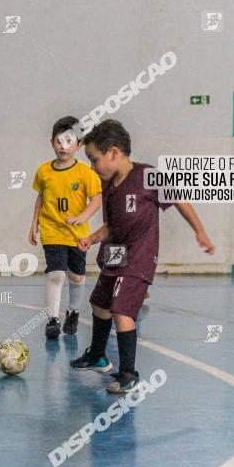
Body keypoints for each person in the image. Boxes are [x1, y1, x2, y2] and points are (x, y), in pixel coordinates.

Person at [69, 120, 215, 393]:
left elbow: (180, 200)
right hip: (116, 252)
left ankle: (128, 373)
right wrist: (92, 238)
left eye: (94, 159)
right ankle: (98, 356)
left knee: (121, 310)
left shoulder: (147, 175)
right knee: (99, 303)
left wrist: (200, 232)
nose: (92, 166)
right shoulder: (109, 185)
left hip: (140, 256)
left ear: (114, 152)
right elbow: (112, 225)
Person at [28, 116, 102, 339]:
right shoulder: (43, 171)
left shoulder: (85, 173)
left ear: (78, 145)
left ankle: (74, 311)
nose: (64, 147)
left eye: (69, 142)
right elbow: (41, 197)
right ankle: (52, 319)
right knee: (56, 275)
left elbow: (97, 199)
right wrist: (34, 223)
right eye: (59, 141)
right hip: (52, 230)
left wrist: (82, 217)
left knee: (76, 277)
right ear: (52, 142)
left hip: (77, 234)